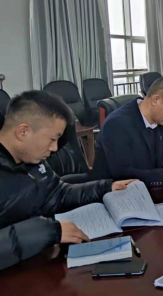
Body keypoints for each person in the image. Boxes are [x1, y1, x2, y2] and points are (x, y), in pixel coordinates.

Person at [0, 91, 134, 271]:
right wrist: (50, 231)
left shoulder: (32, 159)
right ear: (22, 132)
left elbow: (57, 194)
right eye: (52, 139)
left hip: (39, 262)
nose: (55, 148)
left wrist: (106, 187)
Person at [92, 77, 163, 188]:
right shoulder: (117, 124)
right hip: (117, 194)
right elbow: (123, 174)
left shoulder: (159, 119)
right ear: (155, 100)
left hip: (150, 190)